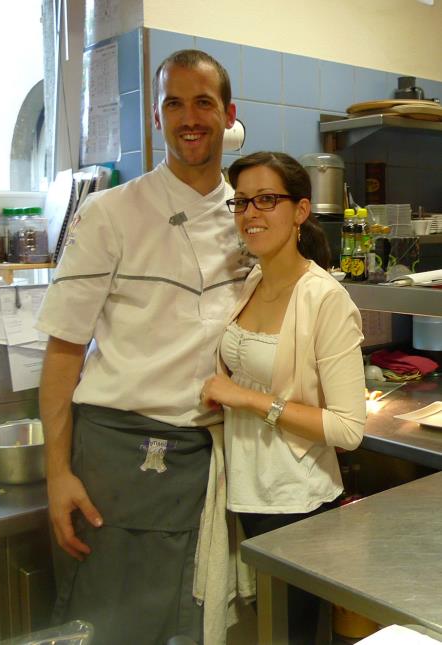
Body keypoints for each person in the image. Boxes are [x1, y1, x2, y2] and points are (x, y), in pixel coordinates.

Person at [36, 50, 250, 645]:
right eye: (174, 103)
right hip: (120, 459)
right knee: (113, 628)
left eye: (203, 102)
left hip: (211, 461)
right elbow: (63, 354)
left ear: (228, 114)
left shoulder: (249, 218)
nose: (189, 117)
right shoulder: (109, 214)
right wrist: (57, 473)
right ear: (157, 118)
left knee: (193, 630)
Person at [201, 151, 366, 644]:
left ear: (300, 211)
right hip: (248, 493)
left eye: (267, 200)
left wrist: (245, 399)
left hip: (297, 502)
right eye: (243, 202)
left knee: (291, 637)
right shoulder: (252, 281)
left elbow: (348, 428)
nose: (251, 213)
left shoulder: (324, 298)